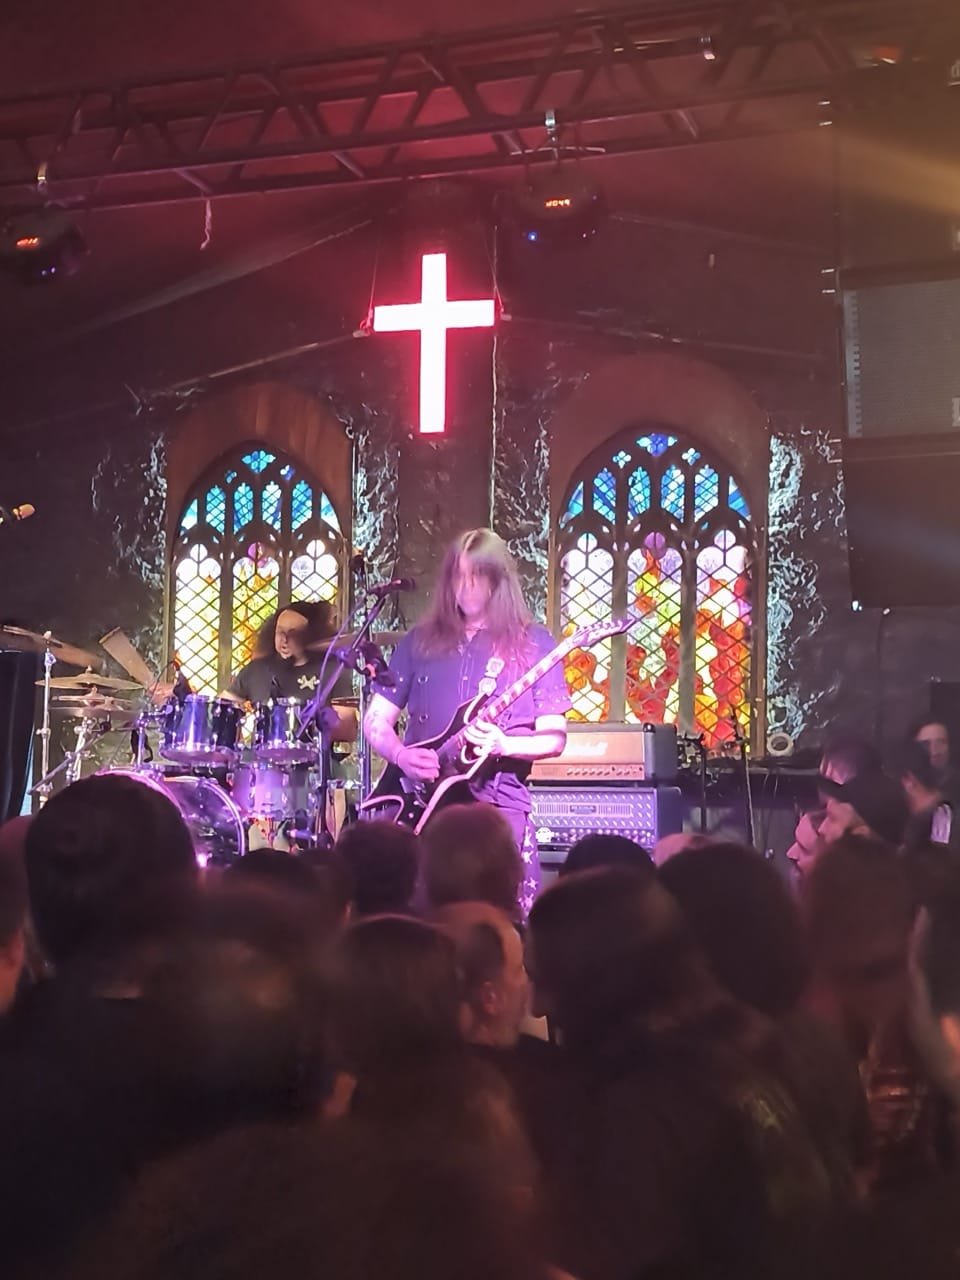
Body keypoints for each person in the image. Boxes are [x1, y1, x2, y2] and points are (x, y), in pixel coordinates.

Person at [363, 529, 570, 913]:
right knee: (422, 913)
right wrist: (401, 756)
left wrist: (504, 745)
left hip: (498, 807)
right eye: (458, 575)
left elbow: (555, 737)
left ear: (498, 579)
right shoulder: (418, 641)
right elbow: (376, 719)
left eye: (477, 575)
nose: (466, 586)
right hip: (423, 805)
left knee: (498, 914)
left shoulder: (534, 643)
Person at [224, 601, 356, 740]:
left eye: (293, 633)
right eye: (280, 631)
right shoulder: (257, 669)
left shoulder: (331, 670)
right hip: (263, 752)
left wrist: (326, 721)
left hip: (312, 752)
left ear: (310, 636)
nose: (284, 639)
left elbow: (348, 731)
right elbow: (222, 708)